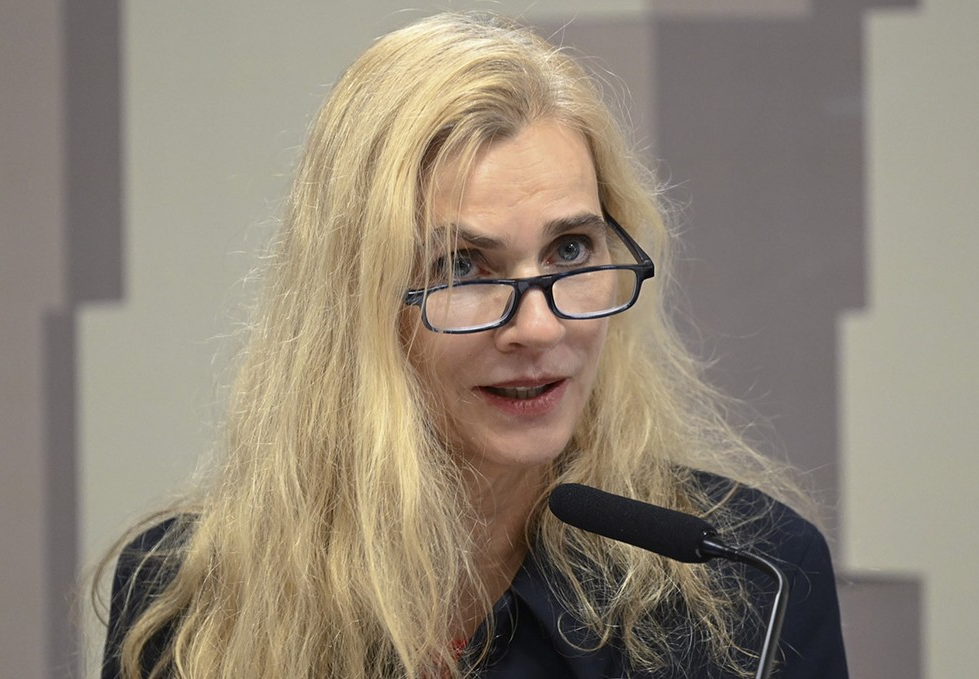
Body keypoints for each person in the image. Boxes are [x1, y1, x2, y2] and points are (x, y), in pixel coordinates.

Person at [96, 11, 848, 679]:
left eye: (571, 251)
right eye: (462, 266)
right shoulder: (189, 596)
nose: (539, 328)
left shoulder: (751, 584)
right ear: (354, 302)